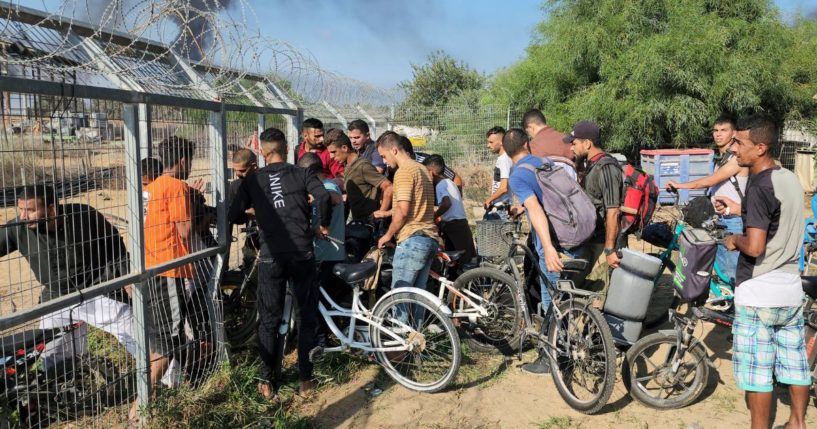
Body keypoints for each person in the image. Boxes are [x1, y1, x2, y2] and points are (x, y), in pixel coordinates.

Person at [229, 127, 331, 401]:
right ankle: (306, 380)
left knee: (269, 319)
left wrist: (259, 210)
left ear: (261, 152)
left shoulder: (253, 179)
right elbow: (322, 196)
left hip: (271, 255)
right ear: (286, 149)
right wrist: (319, 224)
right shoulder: (302, 172)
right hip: (301, 252)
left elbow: (235, 213)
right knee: (306, 316)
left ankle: (266, 381)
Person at [722, 114, 809, 429]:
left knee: (758, 372)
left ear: (761, 147)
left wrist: (733, 239)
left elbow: (756, 246)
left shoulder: (758, 186)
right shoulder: (788, 178)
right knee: (795, 364)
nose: (734, 150)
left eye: (740, 143)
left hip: (759, 290)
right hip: (790, 288)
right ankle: (797, 422)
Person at [0, 184, 135, 368]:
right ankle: (69, 388)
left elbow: (113, 242)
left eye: (30, 210)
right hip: (57, 296)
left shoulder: (84, 215)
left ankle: (171, 380)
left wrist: (127, 276)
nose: (23, 216)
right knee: (52, 358)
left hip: (97, 289)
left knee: (139, 338)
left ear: (51, 209)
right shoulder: (19, 228)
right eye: (21, 209)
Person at [504, 128, 581, 374]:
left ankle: (553, 359)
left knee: (553, 301)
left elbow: (537, 210)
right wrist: (521, 209)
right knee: (566, 298)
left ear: (506, 152)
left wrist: (547, 248)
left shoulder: (517, 175)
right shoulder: (546, 163)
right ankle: (569, 348)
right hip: (574, 235)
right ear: (527, 145)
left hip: (553, 242)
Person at [140, 136, 205, 410]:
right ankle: (140, 403)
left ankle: (153, 395)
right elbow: (186, 231)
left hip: (153, 266)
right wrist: (203, 217)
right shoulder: (177, 187)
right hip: (173, 270)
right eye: (189, 160)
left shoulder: (152, 187)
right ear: (182, 160)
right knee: (169, 339)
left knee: (162, 336)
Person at [666, 116, 748, 283]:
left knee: (731, 272)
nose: (718, 134)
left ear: (733, 134)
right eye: (715, 131)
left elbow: (711, 181)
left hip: (734, 220)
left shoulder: (737, 159)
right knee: (719, 269)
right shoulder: (720, 159)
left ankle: (735, 306)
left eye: (723, 130)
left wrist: (680, 185)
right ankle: (724, 304)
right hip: (718, 219)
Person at [375, 131, 441, 291]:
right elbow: (417, 205)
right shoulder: (423, 169)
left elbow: (403, 212)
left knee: (400, 298)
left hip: (412, 240)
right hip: (429, 238)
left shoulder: (403, 172)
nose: (384, 162)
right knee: (417, 297)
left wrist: (388, 235)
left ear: (394, 150)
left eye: (384, 156)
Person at [565, 120, 624, 271]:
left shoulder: (606, 168)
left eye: (574, 143)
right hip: (592, 239)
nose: (572, 148)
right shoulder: (592, 165)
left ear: (587, 144)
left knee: (599, 288)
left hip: (602, 244)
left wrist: (609, 250)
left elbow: (613, 211)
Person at [326, 130, 393, 262]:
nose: (331, 156)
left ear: (344, 148)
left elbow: (388, 187)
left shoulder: (362, 165)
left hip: (368, 227)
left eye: (334, 152)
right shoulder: (349, 167)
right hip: (358, 225)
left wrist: (381, 212)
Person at [423, 154, 476, 264]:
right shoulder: (450, 182)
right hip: (461, 224)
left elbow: (447, 204)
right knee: (459, 260)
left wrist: (434, 216)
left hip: (454, 226)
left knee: (461, 261)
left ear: (431, 173)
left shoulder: (440, 185)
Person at [227, 148, 260, 269]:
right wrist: (246, 212)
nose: (238, 174)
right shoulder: (236, 185)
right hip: (251, 237)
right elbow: (233, 215)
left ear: (254, 166)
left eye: (242, 170)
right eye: (235, 170)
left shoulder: (265, 180)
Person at [483, 126, 513, 217]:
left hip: (501, 207)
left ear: (502, 142)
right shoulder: (502, 158)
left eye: (491, 142)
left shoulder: (504, 159)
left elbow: (504, 187)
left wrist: (489, 200)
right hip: (497, 205)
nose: (488, 145)